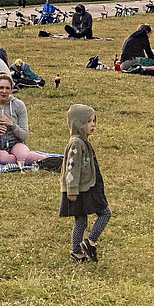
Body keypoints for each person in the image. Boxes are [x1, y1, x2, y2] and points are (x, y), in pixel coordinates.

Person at [60, 104, 110, 263]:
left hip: (86, 187)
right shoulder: (76, 143)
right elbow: (71, 169)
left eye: (94, 121)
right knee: (104, 213)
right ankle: (89, 242)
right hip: (80, 190)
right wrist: (72, 189)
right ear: (78, 124)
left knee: (81, 221)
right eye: (89, 121)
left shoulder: (82, 141)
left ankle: (77, 251)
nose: (93, 124)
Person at [0, 72, 47, 166]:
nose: (4, 91)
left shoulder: (18, 105)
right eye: (1, 88)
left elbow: (24, 135)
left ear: (11, 90)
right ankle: (20, 160)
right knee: (6, 159)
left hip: (16, 143)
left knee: (23, 156)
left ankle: (51, 161)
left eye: (7, 88)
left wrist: (12, 125)